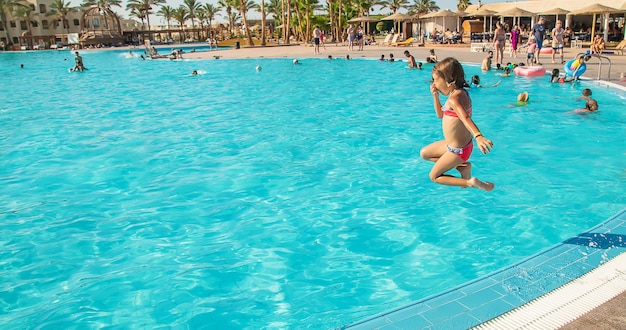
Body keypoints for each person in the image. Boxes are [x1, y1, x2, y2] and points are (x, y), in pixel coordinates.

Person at [420, 57, 494, 191]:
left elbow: (465, 118)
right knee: (424, 153)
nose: (434, 84)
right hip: (452, 146)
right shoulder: (459, 93)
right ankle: (463, 167)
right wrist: (435, 96)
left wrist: (478, 136)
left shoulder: (455, 99)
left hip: (459, 151)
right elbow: (440, 115)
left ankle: (469, 182)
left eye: (436, 80)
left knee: (434, 176)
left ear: (449, 81)